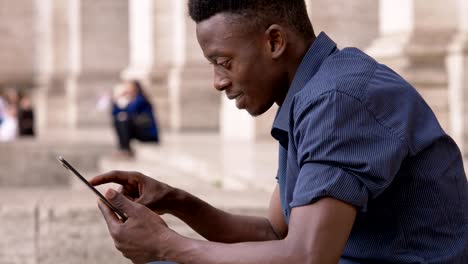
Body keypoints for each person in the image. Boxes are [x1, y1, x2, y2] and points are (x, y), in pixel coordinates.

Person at [90, 1, 468, 263]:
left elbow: (306, 257)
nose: (218, 82)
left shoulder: (339, 100)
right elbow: (275, 233)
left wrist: (166, 245)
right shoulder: (312, 93)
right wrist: (178, 201)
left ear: (274, 41)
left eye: (224, 62)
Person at [111, 80, 160, 158]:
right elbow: (116, 113)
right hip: (136, 130)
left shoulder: (141, 99)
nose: (127, 89)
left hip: (147, 133)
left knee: (124, 121)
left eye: (129, 87)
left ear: (135, 88)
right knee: (118, 120)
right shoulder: (130, 100)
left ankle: (126, 149)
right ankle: (123, 148)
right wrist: (116, 101)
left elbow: (130, 112)